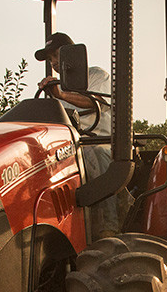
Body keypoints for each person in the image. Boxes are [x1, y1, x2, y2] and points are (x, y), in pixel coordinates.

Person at [34, 32, 121, 237]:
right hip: (67, 148)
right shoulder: (56, 88)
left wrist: (61, 95)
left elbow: (97, 103)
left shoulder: (96, 76)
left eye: (56, 56)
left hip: (100, 144)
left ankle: (107, 227)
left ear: (73, 55)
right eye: (50, 59)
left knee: (92, 155)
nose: (54, 62)